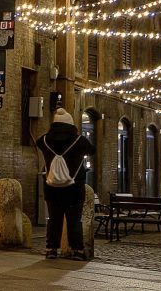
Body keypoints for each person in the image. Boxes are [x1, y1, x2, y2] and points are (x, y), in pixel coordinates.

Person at [37, 104, 96, 261]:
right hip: (74, 188)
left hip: (52, 187)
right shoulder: (80, 141)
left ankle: (51, 249)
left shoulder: (45, 140)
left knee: (54, 220)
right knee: (74, 220)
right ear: (71, 124)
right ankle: (77, 250)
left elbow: (38, 142)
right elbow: (92, 150)